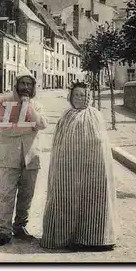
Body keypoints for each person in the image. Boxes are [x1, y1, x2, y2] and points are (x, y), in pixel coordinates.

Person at [40, 80, 117, 251]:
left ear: (88, 96)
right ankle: (68, 237)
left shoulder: (95, 115)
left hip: (92, 166)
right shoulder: (66, 116)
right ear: (71, 97)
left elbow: (101, 144)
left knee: (92, 197)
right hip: (69, 168)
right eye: (76, 95)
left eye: (83, 95)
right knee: (67, 197)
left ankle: (93, 238)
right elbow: (58, 146)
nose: (79, 98)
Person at [0, 71, 48, 246]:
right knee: (6, 194)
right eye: (22, 83)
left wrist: (28, 107)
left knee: (26, 195)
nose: (26, 87)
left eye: (29, 84)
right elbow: (3, 127)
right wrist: (29, 127)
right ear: (16, 85)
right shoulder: (5, 103)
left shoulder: (36, 105)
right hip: (9, 156)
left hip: (30, 157)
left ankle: (20, 227)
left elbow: (42, 124)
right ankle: (4, 231)